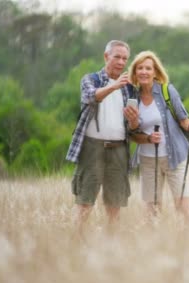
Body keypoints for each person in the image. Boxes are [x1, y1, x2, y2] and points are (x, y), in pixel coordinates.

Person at [66, 40, 140, 233]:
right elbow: (91, 96)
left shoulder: (131, 87)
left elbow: (134, 127)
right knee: (85, 200)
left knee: (115, 203)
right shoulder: (91, 79)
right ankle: (75, 241)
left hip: (119, 149)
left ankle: (111, 245)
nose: (121, 62)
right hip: (92, 148)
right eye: (117, 57)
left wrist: (134, 121)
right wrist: (114, 86)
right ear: (106, 56)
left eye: (125, 58)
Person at [127, 50, 189, 222]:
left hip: (174, 157)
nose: (144, 72)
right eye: (140, 68)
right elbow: (132, 133)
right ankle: (155, 246)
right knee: (152, 211)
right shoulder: (131, 97)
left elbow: (184, 121)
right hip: (148, 159)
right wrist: (135, 123)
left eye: (148, 68)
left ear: (155, 72)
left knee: (183, 208)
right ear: (135, 72)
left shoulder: (168, 91)